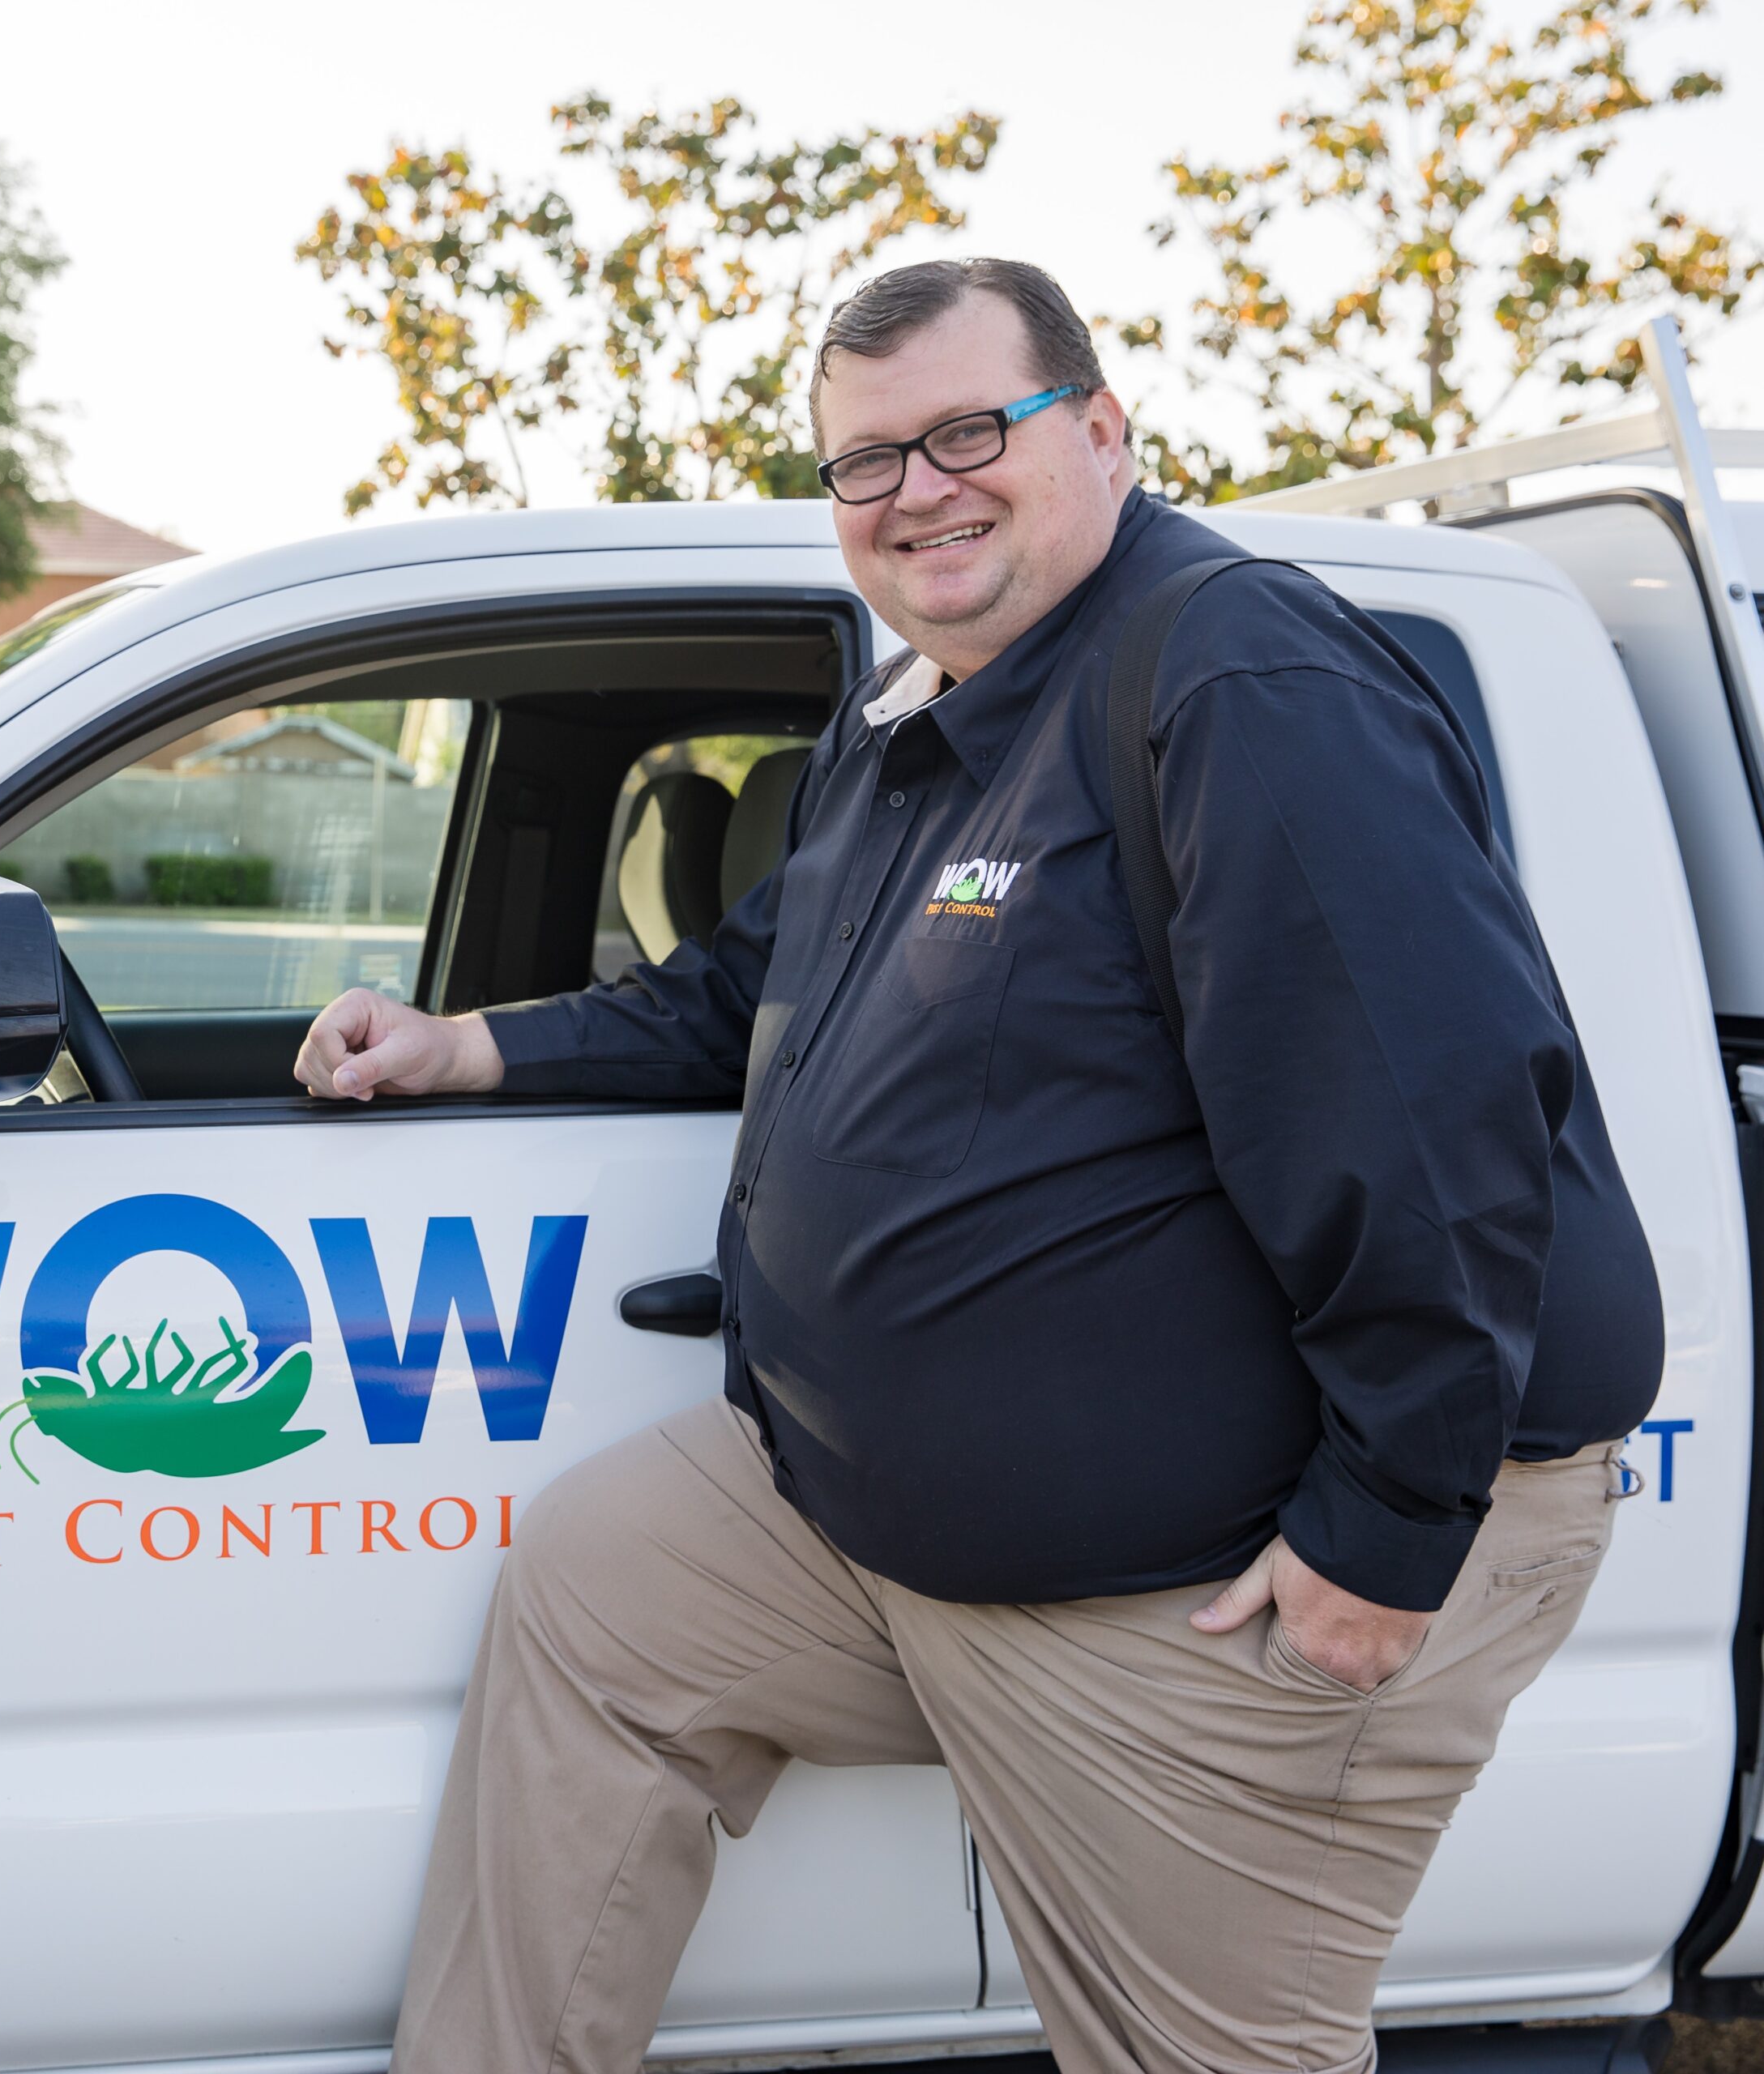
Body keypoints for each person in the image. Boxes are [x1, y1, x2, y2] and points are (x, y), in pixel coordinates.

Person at [293, 258, 1664, 2074]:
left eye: (965, 431)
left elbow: (1428, 1113)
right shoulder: (915, 715)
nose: (915, 489)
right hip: (874, 1529)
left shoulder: (1231, 675)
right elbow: (749, 985)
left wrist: (1389, 1527)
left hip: (1192, 1585)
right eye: (865, 461)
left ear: (1098, 428)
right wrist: (473, 1045)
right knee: (602, 1591)